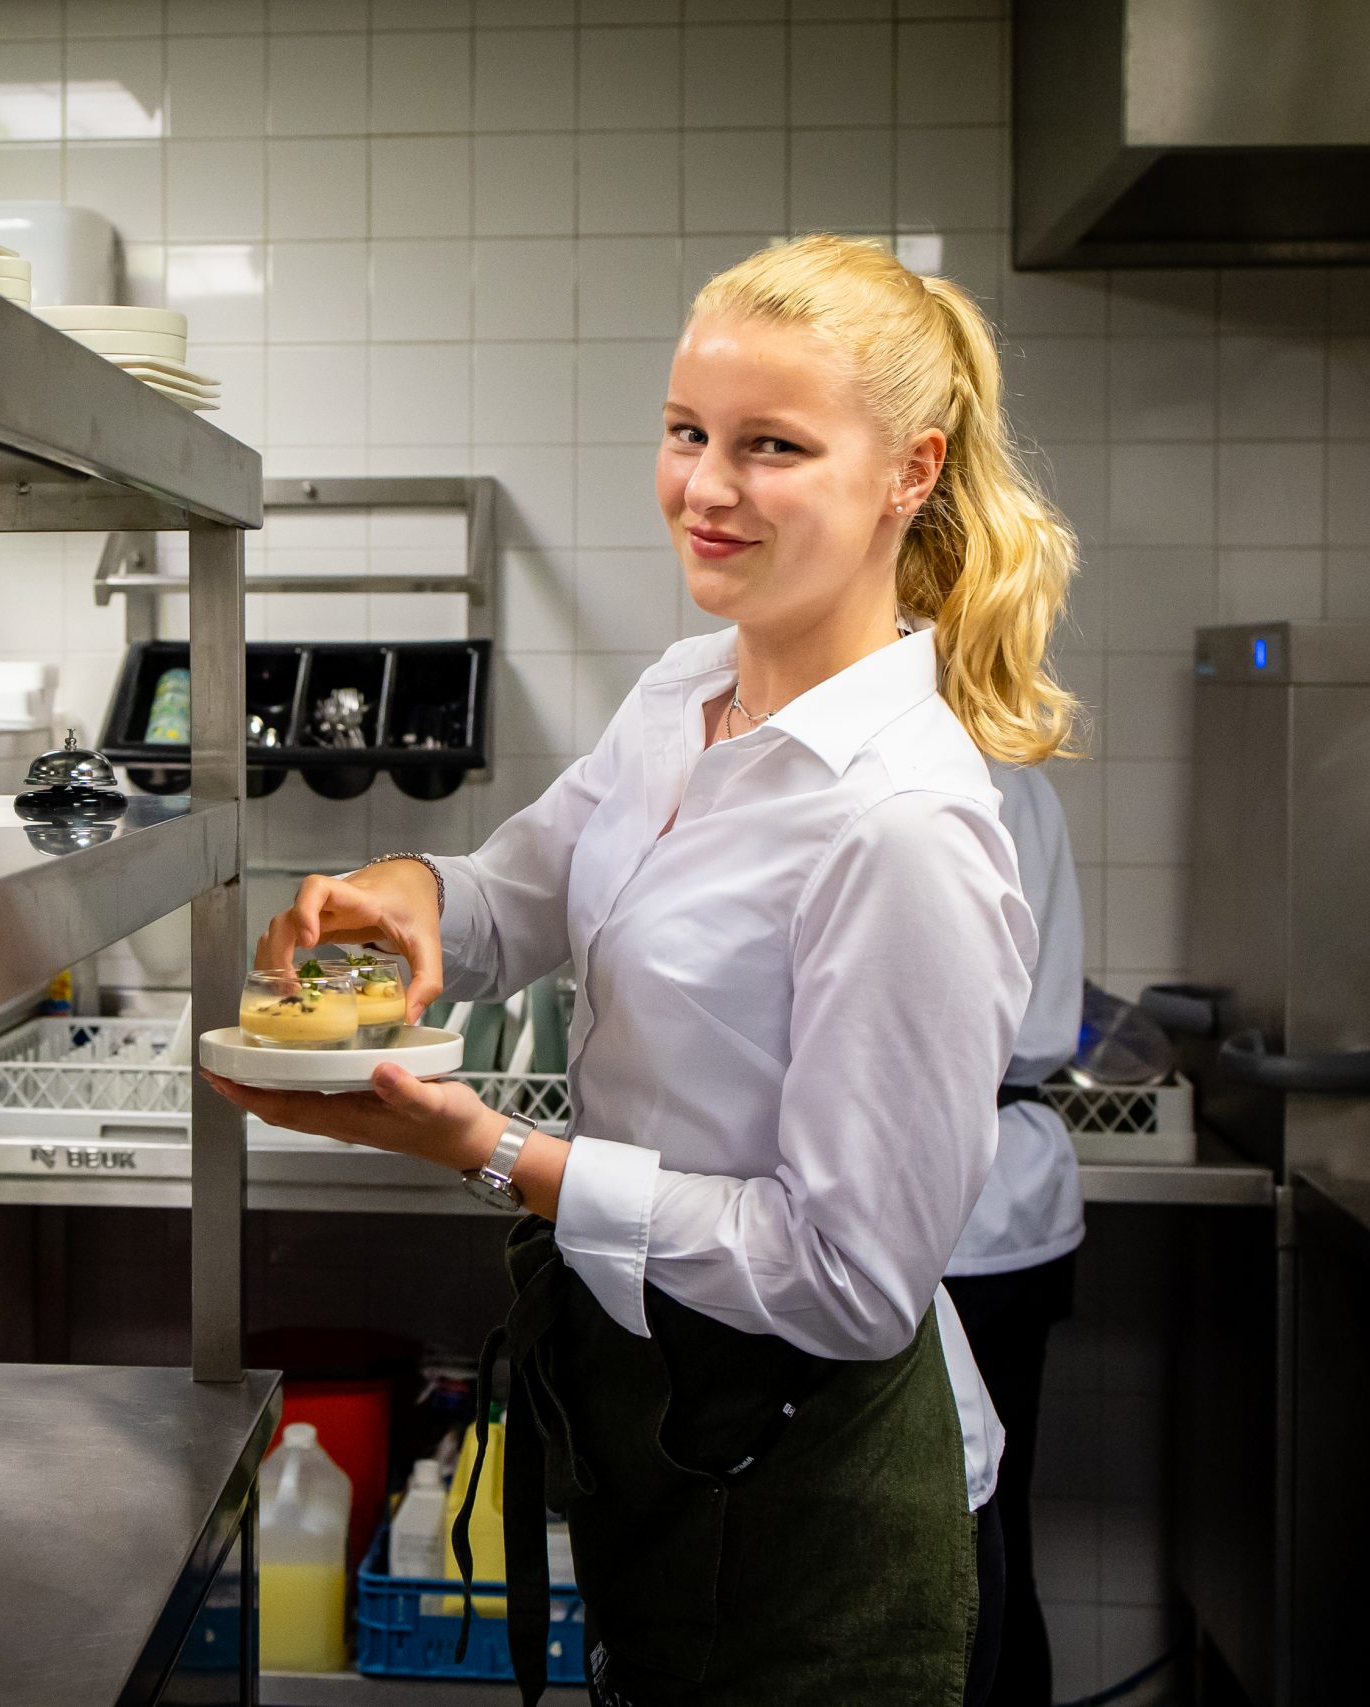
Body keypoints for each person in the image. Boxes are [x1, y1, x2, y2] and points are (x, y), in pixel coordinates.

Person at [203, 234, 1079, 1707]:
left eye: (772, 446)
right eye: (687, 433)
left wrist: (490, 1151)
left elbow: (850, 1280)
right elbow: (521, 894)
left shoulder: (902, 824)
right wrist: (406, 895)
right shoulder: (688, 692)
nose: (707, 487)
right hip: (669, 1440)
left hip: (821, 1502)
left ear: (909, 473)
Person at [947, 762, 1087, 1707]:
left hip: (957, 1209)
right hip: (1016, 1209)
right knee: (996, 1536)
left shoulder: (927, 772)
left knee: (954, 1546)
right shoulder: (1024, 785)